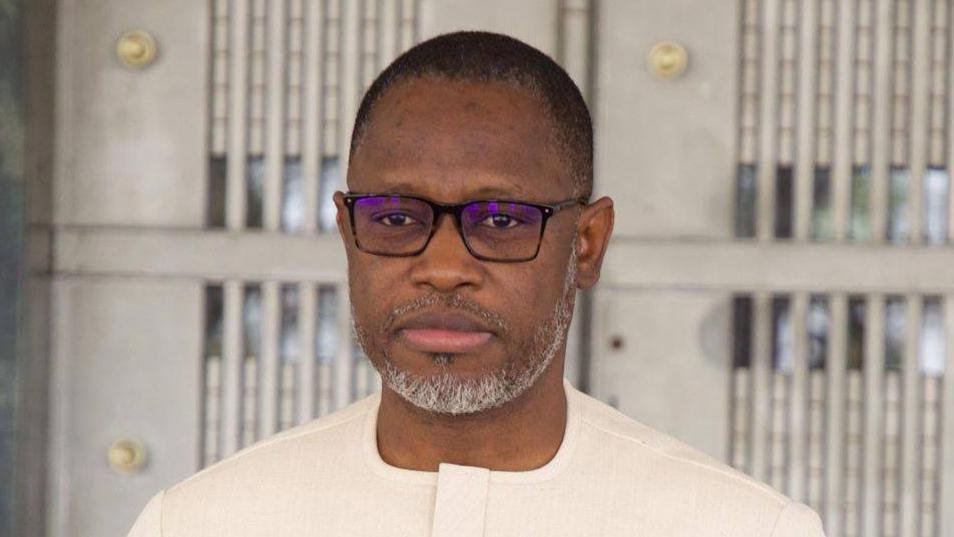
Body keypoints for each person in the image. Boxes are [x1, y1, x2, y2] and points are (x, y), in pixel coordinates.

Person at [128, 31, 825, 537]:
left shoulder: (740, 526)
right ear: (347, 231)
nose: (442, 266)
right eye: (395, 217)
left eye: (500, 220)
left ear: (586, 244)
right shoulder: (201, 521)